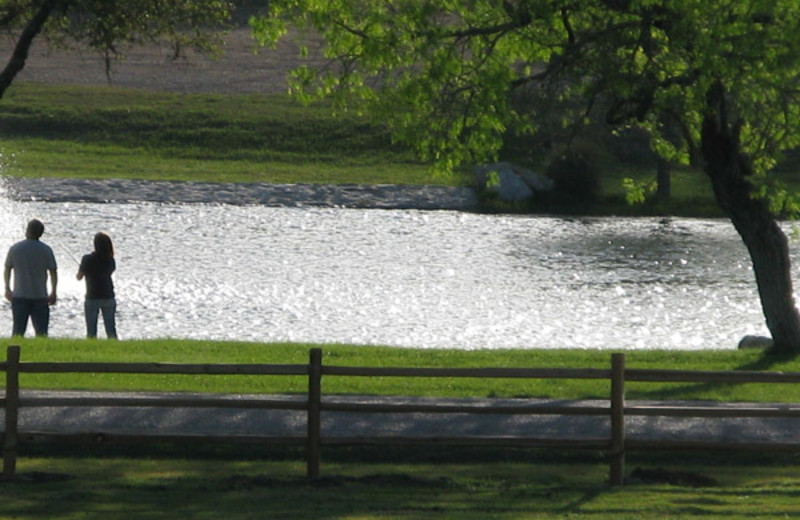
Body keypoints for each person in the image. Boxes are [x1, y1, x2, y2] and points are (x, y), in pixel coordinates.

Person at [4, 219, 58, 336]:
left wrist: (7, 288)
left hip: (19, 296)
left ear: (27, 231)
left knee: (18, 332)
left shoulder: (15, 248)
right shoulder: (46, 249)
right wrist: (53, 292)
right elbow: (53, 272)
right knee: (42, 333)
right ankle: (43, 353)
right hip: (40, 296)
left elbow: (8, 268)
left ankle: (15, 352)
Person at [77, 232, 117, 339]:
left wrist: (82, 268)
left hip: (92, 297)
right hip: (108, 296)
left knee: (91, 331)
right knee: (111, 329)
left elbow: (79, 277)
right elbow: (109, 272)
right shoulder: (111, 260)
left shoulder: (87, 259)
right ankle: (115, 347)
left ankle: (91, 349)